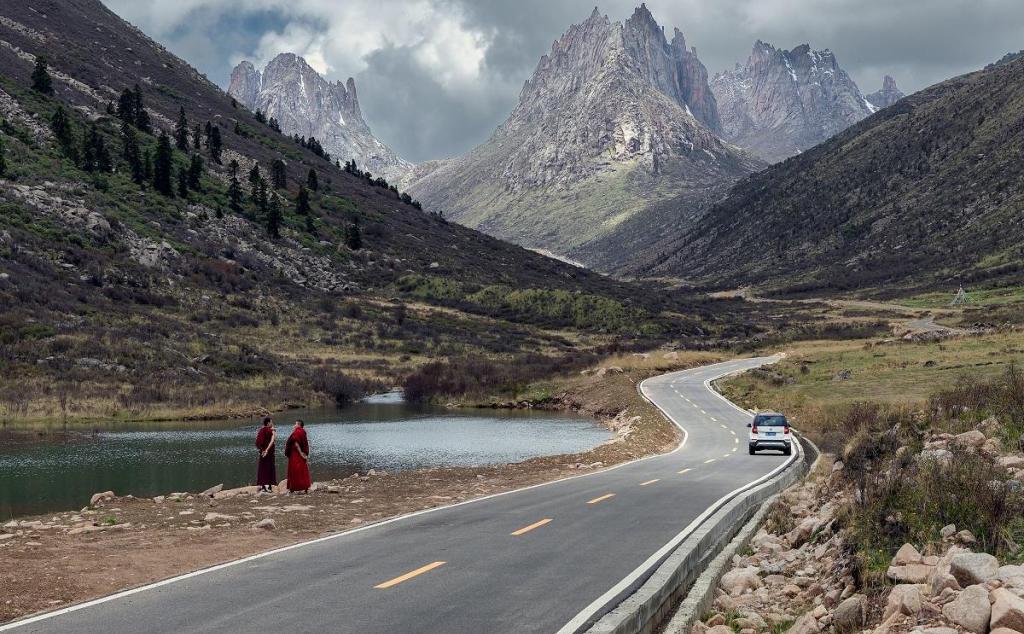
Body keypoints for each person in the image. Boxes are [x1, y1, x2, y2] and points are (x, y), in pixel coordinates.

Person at [285, 420, 312, 494]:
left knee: (294, 470)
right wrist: (305, 454)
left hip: (295, 454)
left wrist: (300, 453)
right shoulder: (303, 432)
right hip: (302, 454)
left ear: (299, 425)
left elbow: (296, 443)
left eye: (295, 424)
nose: (294, 425)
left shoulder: (297, 432)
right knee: (302, 470)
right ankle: (305, 487)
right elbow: (306, 442)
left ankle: (292, 488)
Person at [255, 416, 277, 493]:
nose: (272, 423)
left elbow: (257, 443)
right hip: (269, 452)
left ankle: (264, 486)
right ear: (268, 423)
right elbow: (274, 439)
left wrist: (262, 450)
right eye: (271, 422)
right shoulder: (270, 430)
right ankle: (270, 486)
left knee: (263, 469)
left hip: (263, 452)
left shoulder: (262, 430)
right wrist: (266, 450)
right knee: (269, 468)